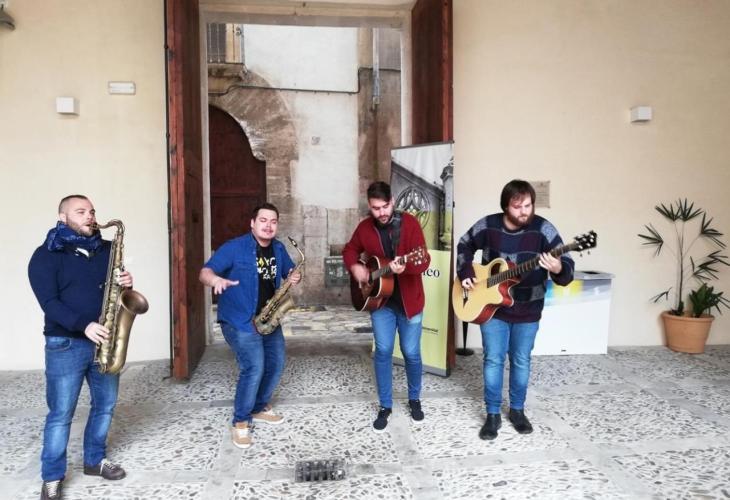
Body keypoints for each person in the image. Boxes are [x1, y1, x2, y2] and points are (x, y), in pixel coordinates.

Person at [28, 195, 133, 500]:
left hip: (105, 340)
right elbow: (49, 303)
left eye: (92, 211)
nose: (90, 216)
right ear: (63, 218)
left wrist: (126, 284)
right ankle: (52, 477)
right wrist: (83, 325)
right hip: (65, 343)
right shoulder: (45, 255)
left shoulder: (108, 250)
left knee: (105, 405)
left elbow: (116, 293)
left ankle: (94, 460)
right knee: (61, 413)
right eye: (81, 212)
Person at [456, 179, 574, 440]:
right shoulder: (488, 225)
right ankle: (493, 414)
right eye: (517, 207)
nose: (524, 212)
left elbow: (566, 268)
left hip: (528, 309)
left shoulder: (543, 229)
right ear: (505, 207)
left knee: (521, 360)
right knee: (493, 359)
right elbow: (464, 244)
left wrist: (557, 267)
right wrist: (465, 273)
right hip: (492, 308)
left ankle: (517, 411)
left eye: (528, 205)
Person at [199, 202, 301, 449]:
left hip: (268, 318)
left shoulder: (278, 248)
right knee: (254, 367)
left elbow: (289, 272)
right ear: (252, 223)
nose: (268, 226)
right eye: (263, 220)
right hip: (239, 319)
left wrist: (293, 276)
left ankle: (258, 406)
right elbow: (205, 272)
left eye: (273, 221)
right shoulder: (234, 248)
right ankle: (241, 421)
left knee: (276, 364)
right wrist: (215, 280)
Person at [343, 181, 431, 432]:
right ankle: (385, 405)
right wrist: (355, 267)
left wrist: (407, 266)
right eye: (375, 208)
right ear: (369, 206)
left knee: (411, 353)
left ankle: (414, 399)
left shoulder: (410, 224)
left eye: (384, 206)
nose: (381, 212)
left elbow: (424, 260)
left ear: (392, 202)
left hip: (410, 302)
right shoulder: (365, 228)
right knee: (382, 351)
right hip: (380, 301)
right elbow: (350, 250)